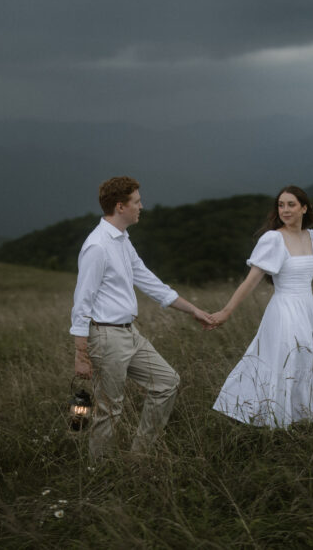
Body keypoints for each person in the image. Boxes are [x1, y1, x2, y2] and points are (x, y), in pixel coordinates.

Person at [71, 176, 215, 460]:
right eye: (136, 202)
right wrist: (80, 353)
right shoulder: (97, 246)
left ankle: (139, 455)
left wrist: (193, 310)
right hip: (105, 335)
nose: (142, 206)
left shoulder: (123, 240)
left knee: (167, 382)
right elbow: (81, 302)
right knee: (109, 410)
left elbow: (150, 282)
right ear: (120, 206)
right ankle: (99, 475)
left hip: (129, 333)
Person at [209, 186, 313, 428]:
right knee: (290, 356)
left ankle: (300, 419)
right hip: (284, 308)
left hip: (308, 309)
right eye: (281, 205)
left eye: (291, 205)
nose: (285, 210)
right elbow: (251, 281)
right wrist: (226, 311)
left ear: (304, 208)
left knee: (308, 360)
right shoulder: (273, 239)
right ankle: (273, 420)